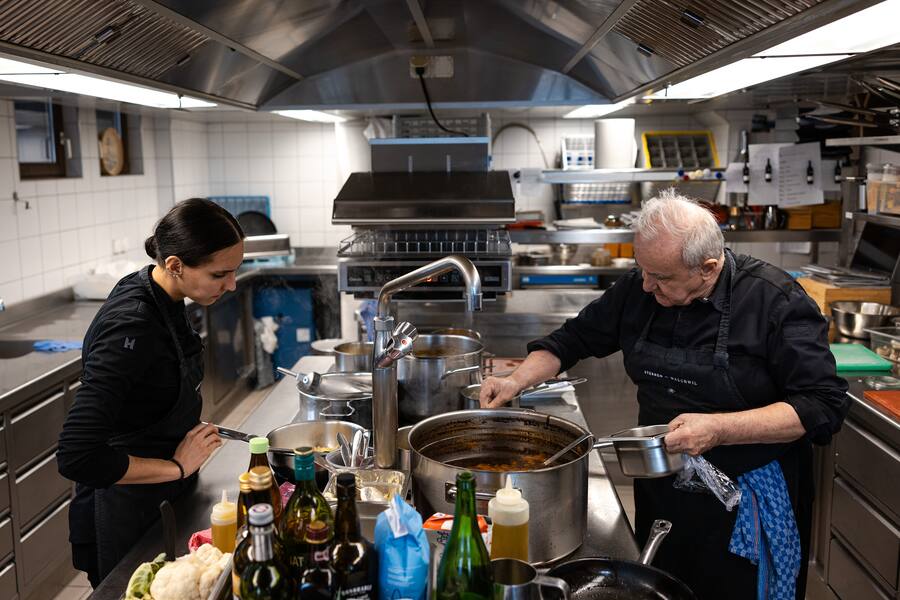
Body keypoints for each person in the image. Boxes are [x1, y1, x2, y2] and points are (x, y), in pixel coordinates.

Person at [479, 190, 849, 600]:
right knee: (663, 585)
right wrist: (517, 380)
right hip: (663, 488)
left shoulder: (773, 301)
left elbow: (822, 405)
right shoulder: (641, 288)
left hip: (745, 501)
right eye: (643, 270)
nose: (646, 284)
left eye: (662, 278)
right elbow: (570, 340)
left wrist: (719, 430)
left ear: (708, 268)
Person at [58, 198, 244, 586]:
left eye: (235, 271)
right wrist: (177, 466)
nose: (232, 285)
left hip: (163, 498)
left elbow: (147, 391)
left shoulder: (167, 295)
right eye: (219, 274)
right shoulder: (131, 325)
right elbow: (78, 455)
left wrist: (177, 427)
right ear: (175, 265)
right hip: (124, 514)